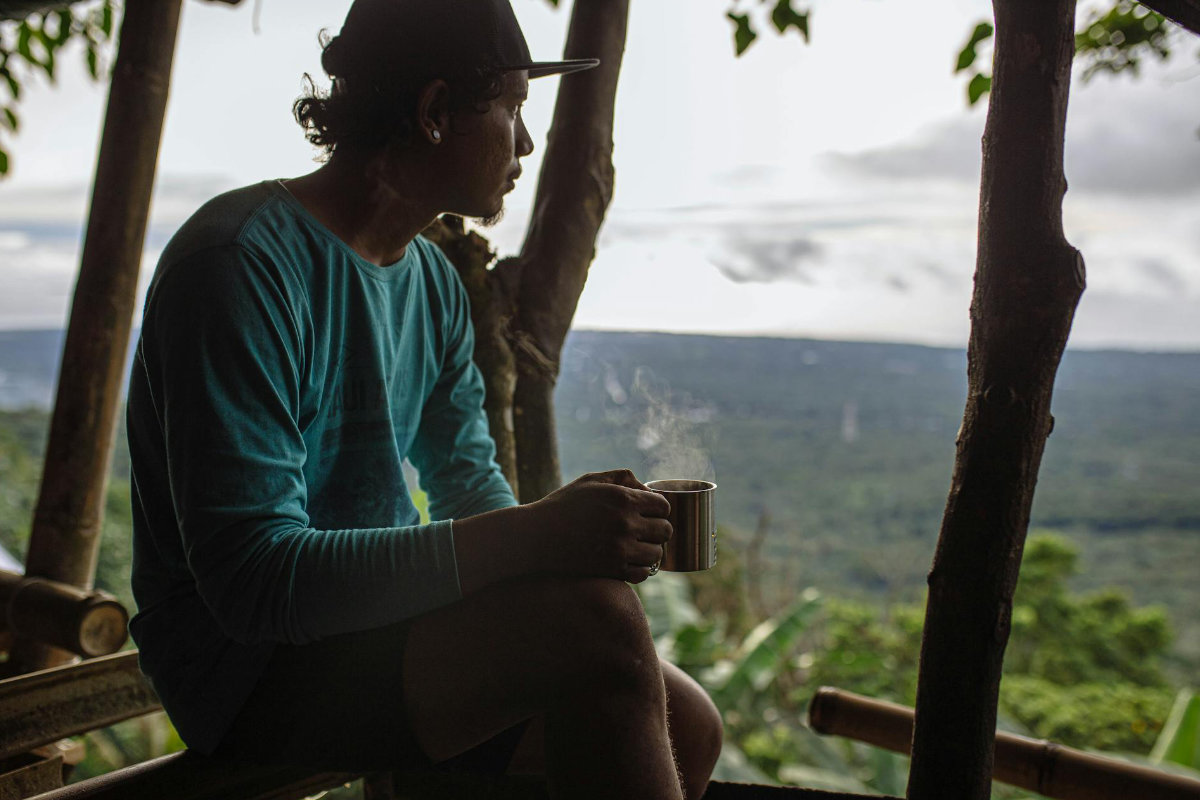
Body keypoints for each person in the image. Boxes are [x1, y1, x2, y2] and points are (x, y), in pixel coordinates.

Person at [125, 0, 722, 798]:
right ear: (436, 111)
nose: (526, 142)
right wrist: (539, 536)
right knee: (595, 629)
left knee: (691, 723)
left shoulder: (433, 281)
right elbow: (255, 584)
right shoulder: (238, 265)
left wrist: (559, 552)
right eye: (512, 107)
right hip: (245, 669)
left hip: (382, 629)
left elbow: (469, 484)